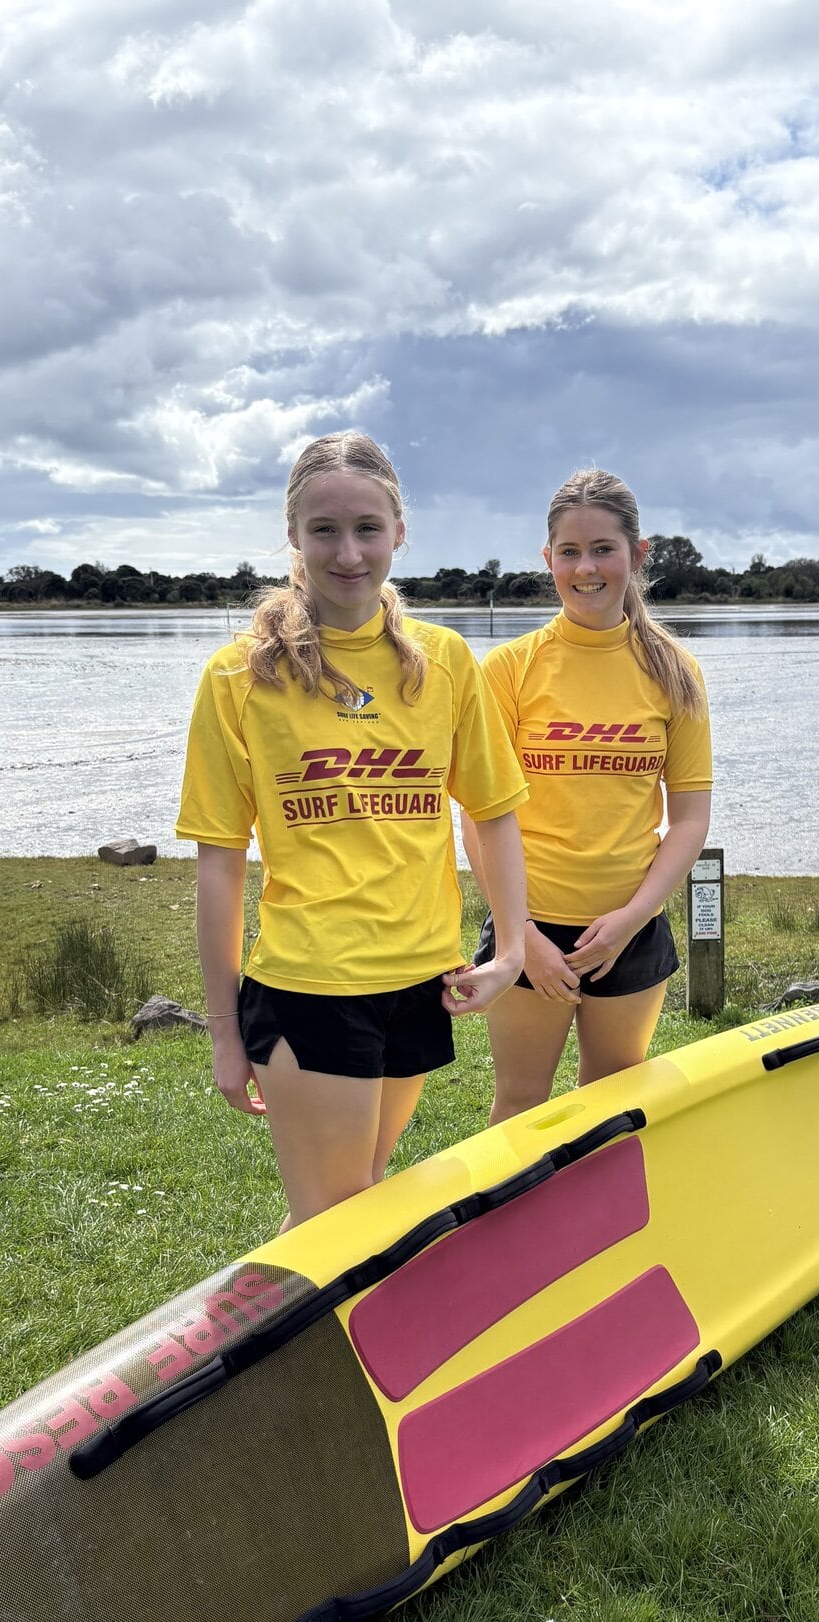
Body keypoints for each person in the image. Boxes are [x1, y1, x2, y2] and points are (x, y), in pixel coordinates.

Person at [178, 431, 528, 1226]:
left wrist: (511, 948)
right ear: (293, 536)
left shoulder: (443, 663)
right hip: (310, 987)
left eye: (368, 528)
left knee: (351, 1208)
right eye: (324, 530)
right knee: (334, 1222)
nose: (347, 553)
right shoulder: (239, 676)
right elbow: (220, 866)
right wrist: (224, 1032)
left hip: (421, 984)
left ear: (399, 531)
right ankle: (293, 1351)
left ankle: (324, 1344)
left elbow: (494, 811)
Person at [462, 468, 712, 1123]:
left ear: (638, 553)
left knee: (611, 1105)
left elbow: (688, 818)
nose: (587, 568)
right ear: (548, 561)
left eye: (603, 548)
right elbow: (480, 817)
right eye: (569, 552)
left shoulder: (675, 673)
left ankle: (602, 1229)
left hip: (629, 930)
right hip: (530, 926)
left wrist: (631, 920)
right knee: (521, 1103)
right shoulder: (509, 670)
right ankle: (513, 1229)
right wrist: (520, 938)